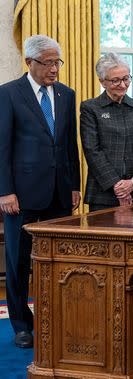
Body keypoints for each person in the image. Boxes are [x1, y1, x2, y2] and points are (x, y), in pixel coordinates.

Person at [0, 35, 81, 348]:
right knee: (19, 262)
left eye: (57, 62)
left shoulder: (66, 94)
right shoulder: (8, 94)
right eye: (47, 62)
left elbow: (68, 144)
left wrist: (73, 185)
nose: (54, 69)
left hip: (59, 193)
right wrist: (5, 191)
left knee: (56, 263)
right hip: (21, 195)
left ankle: (55, 320)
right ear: (29, 63)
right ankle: (22, 325)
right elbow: (2, 146)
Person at [80, 53, 133, 211]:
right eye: (115, 80)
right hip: (104, 193)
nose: (122, 84)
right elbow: (92, 151)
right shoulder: (90, 108)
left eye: (126, 78)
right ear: (102, 81)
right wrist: (119, 187)